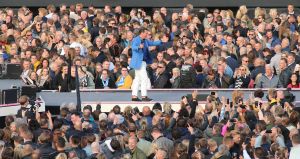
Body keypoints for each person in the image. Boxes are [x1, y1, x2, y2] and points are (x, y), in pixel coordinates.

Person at [130, 28, 161, 101]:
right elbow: (133, 47)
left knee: (137, 79)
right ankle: (144, 96)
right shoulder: (136, 39)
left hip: (143, 62)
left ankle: (134, 96)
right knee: (144, 78)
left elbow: (153, 43)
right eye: (146, 33)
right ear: (142, 33)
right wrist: (138, 47)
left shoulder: (146, 41)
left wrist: (160, 41)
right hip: (138, 62)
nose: (147, 35)